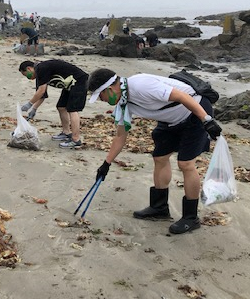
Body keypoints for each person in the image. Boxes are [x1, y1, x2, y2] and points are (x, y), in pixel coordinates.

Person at [88, 68, 222, 234]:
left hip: (196, 111)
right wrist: (106, 164)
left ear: (109, 89)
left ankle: (190, 217)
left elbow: (182, 96)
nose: (102, 100)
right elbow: (120, 137)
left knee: (186, 163)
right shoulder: (123, 103)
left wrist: (206, 120)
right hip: (170, 119)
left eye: (101, 96)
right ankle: (159, 208)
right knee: (159, 157)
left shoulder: (141, 85)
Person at [19, 59, 88, 149]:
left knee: (73, 109)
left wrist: (29, 104)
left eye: (26, 75)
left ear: (29, 69)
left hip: (79, 81)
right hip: (69, 84)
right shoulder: (39, 74)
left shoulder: (41, 68)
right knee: (61, 107)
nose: (28, 78)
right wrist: (34, 109)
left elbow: (41, 91)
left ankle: (76, 140)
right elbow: (42, 95)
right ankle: (66, 133)